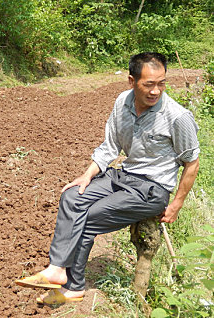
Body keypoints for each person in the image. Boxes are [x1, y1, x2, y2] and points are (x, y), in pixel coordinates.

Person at [15, 52, 200, 305]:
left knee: (90, 217)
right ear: (131, 81)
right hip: (123, 176)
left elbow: (192, 162)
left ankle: (74, 286)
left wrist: (176, 204)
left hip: (152, 189)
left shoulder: (177, 117)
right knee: (72, 197)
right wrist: (87, 175)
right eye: (148, 84)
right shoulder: (122, 102)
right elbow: (109, 146)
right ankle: (57, 268)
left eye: (161, 83)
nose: (156, 91)